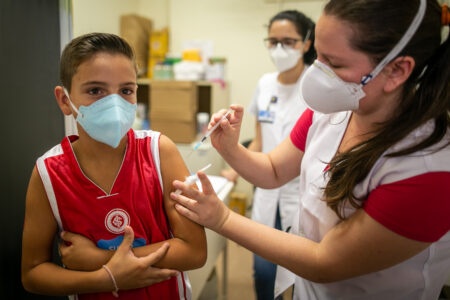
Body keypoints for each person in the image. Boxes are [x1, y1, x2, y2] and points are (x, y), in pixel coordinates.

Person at [172, 0, 450, 299]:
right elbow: (274, 170)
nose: (318, 73)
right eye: (318, 56)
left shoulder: (428, 169)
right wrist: (230, 148)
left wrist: (222, 219)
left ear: (397, 70)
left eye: (335, 63)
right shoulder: (333, 111)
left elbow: (325, 262)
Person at [21, 32, 207, 300]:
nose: (114, 104)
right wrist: (106, 277)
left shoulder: (159, 152)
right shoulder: (48, 174)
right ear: (64, 100)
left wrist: (98, 258)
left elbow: (194, 251)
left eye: (125, 91)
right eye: (96, 90)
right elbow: (33, 273)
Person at [221, 10, 316, 300]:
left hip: (301, 193)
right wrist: (233, 172)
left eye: (288, 41)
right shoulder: (265, 83)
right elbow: (259, 141)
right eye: (273, 41)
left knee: (302, 277)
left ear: (307, 43)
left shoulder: (316, 86)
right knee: (263, 273)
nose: (279, 49)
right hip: (266, 190)